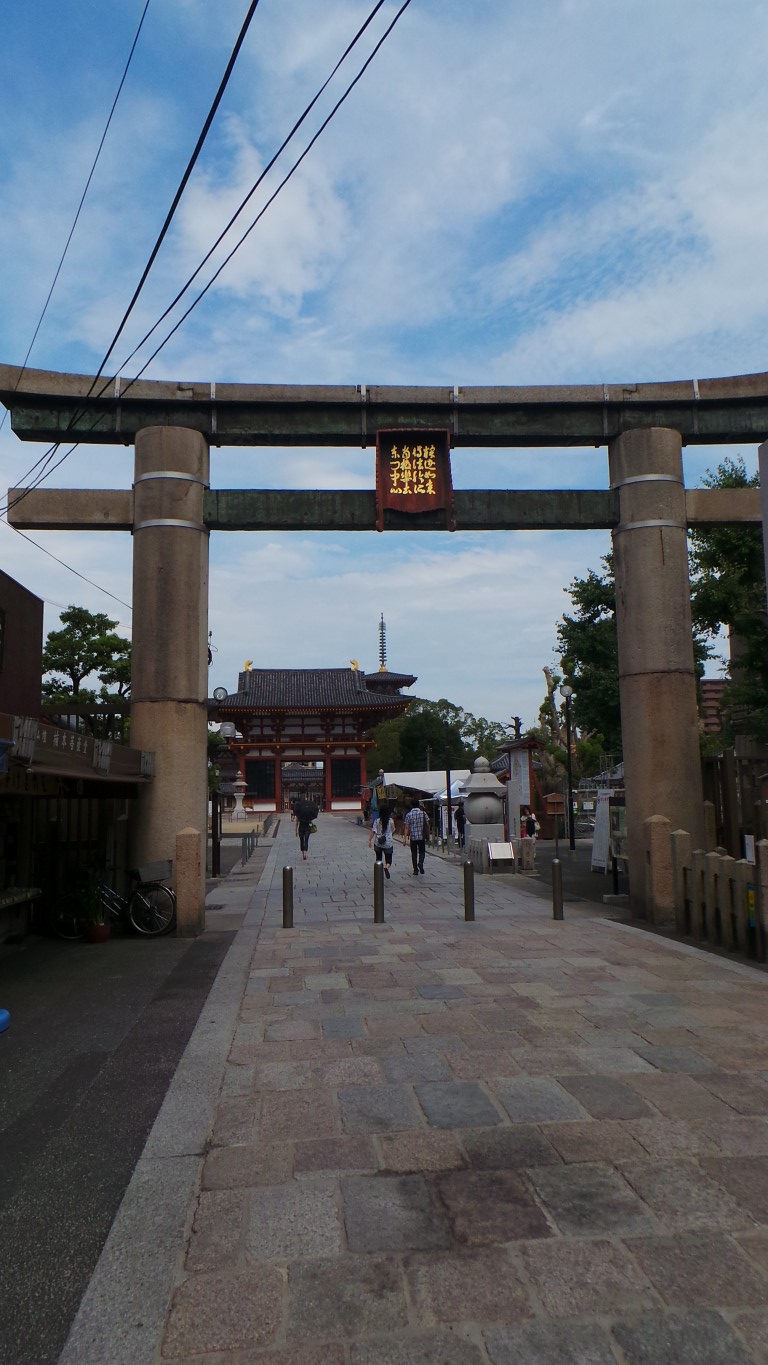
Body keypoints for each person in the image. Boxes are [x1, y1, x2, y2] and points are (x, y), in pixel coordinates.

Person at [368, 803, 395, 878]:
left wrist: (369, 840)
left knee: (378, 858)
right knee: (389, 859)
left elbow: (373, 831)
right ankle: (386, 867)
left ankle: (378, 872)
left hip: (378, 842)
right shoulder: (391, 821)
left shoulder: (377, 821)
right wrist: (389, 835)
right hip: (388, 843)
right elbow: (393, 830)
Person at [404, 802, 430, 875]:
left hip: (413, 837)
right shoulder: (423, 813)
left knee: (414, 853)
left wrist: (405, 838)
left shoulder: (409, 815)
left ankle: (415, 870)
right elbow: (427, 824)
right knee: (422, 852)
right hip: (421, 836)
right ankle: (420, 862)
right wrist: (428, 833)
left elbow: (406, 827)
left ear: (412, 806)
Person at [294, 794, 318, 860]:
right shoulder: (309, 814)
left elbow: (297, 823)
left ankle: (303, 854)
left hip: (301, 828)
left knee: (302, 840)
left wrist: (296, 830)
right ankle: (305, 853)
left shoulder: (299, 814)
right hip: (307, 828)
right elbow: (311, 822)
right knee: (306, 840)